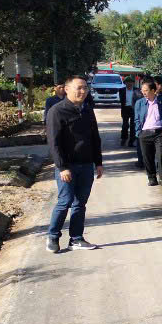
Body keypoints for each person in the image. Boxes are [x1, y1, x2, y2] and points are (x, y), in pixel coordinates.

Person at [44, 75, 103, 253]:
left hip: (86, 165)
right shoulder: (57, 111)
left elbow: (95, 138)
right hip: (67, 166)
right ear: (67, 89)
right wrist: (62, 167)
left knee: (80, 203)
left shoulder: (87, 110)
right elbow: (54, 143)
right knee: (65, 201)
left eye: (85, 88)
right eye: (79, 88)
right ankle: (53, 237)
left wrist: (98, 162)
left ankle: (76, 238)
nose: (83, 91)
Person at [134, 79, 162, 187]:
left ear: (153, 90)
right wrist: (138, 133)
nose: (143, 93)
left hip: (159, 132)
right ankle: (152, 178)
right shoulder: (140, 103)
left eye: (146, 90)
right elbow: (136, 119)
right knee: (147, 157)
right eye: (142, 90)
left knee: (161, 156)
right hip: (145, 133)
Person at [119, 76, 137, 147]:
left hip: (134, 109)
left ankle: (131, 141)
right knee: (125, 125)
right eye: (127, 82)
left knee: (133, 126)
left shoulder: (137, 90)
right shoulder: (121, 90)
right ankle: (123, 139)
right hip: (125, 109)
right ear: (125, 83)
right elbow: (121, 100)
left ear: (133, 83)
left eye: (131, 82)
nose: (129, 84)